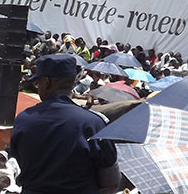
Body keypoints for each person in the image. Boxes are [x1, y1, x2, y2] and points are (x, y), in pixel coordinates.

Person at [10, 54, 119, 194]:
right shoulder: (94, 124)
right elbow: (111, 183)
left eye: (38, 83)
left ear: (47, 82)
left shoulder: (24, 119)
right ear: (73, 82)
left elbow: (18, 163)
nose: (38, 88)